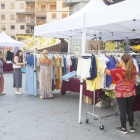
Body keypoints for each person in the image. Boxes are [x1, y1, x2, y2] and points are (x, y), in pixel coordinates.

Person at [105, 54, 136, 134]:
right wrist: (119, 65)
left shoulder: (117, 71)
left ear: (122, 61)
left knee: (123, 111)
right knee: (129, 110)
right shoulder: (133, 69)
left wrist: (103, 63)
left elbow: (106, 71)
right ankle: (131, 128)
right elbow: (126, 67)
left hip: (121, 93)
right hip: (131, 93)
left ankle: (123, 128)